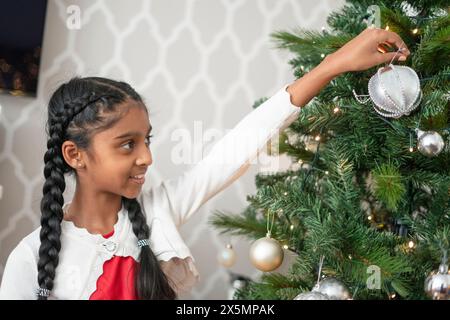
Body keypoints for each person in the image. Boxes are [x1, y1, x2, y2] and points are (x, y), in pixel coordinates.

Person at [0, 28, 409, 300]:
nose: (147, 157)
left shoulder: (158, 212)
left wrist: (331, 66)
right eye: (127, 145)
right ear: (75, 155)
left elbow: (235, 150)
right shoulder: (29, 259)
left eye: (147, 140)